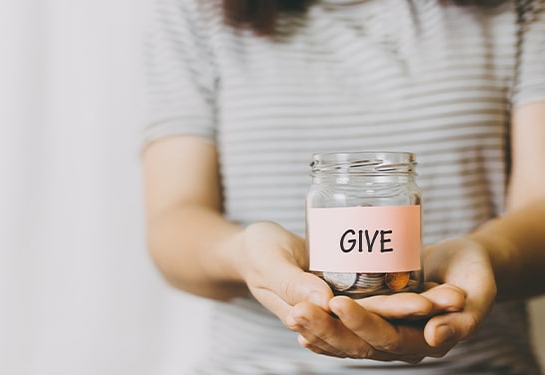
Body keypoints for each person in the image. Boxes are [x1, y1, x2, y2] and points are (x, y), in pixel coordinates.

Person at [141, 0, 545, 373]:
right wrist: (243, 254)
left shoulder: (517, 6)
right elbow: (174, 222)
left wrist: (485, 255)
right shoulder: (196, 10)